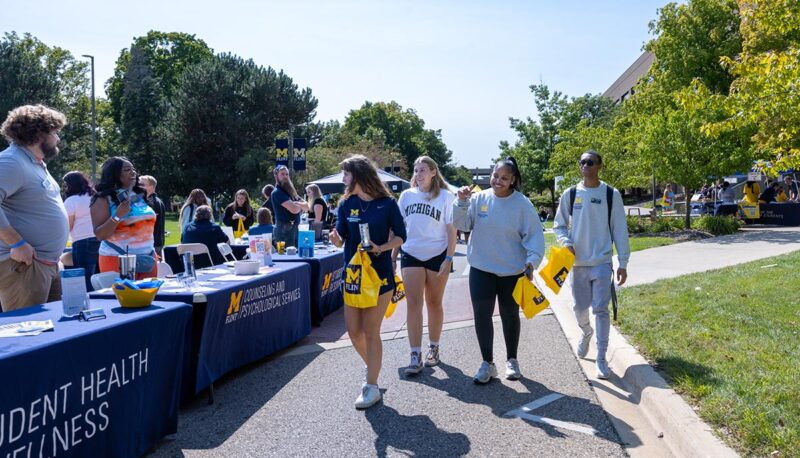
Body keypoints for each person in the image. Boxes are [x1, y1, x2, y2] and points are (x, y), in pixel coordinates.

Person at [453, 157, 545, 384]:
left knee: (510, 315)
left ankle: (512, 360)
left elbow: (534, 236)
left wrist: (532, 262)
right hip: (482, 269)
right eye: (495, 176)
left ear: (513, 180)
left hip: (512, 271)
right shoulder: (479, 199)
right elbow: (462, 226)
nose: (498, 181)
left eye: (504, 178)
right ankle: (487, 364)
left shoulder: (522, 204)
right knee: (482, 316)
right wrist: (461, 202)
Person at [329, 155, 406, 409]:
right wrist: (336, 240)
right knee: (354, 332)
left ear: (359, 176)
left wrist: (382, 247)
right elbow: (341, 236)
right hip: (354, 276)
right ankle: (373, 365)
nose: (343, 179)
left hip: (381, 274)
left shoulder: (387, 204)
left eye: (346, 174)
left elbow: (401, 237)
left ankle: (371, 385)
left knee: (371, 331)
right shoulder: (346, 203)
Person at [553, 150, 630, 380]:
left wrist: (622, 262)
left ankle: (601, 358)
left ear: (599, 166)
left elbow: (619, 229)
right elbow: (558, 225)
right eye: (582, 162)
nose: (585, 165)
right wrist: (566, 242)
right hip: (577, 264)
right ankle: (586, 332)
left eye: (590, 162)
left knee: (601, 310)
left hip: (602, 262)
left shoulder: (610, 194)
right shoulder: (571, 193)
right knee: (579, 308)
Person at [0, 105, 69, 311]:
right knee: (28, 336)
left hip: (44, 265)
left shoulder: (33, 162)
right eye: (54, 132)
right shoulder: (12, 161)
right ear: (39, 132)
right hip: (24, 267)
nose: (58, 139)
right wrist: (17, 243)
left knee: (53, 337)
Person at [394, 156, 456, 375]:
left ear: (433, 172)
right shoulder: (406, 196)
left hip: (437, 254)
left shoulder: (446, 197)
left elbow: (451, 231)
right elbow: (399, 229)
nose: (418, 174)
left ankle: (434, 347)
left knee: (433, 302)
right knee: (413, 303)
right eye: (415, 170)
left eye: (422, 170)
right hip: (411, 253)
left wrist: (449, 259)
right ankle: (414, 353)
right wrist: (393, 256)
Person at [90, 157, 158, 279]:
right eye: (127, 169)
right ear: (114, 173)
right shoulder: (103, 198)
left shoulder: (139, 195)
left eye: (133, 169)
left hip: (148, 259)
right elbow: (100, 235)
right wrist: (118, 215)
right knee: (126, 297)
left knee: (148, 297)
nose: (133, 172)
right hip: (117, 259)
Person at [63, 171, 100, 291]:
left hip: (82, 242)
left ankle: (88, 306)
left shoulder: (71, 201)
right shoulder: (95, 197)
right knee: (98, 278)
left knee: (85, 280)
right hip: (100, 238)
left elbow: (69, 225)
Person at [271, 165, 309, 247]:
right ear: (276, 176)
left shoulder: (291, 192)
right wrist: (298, 206)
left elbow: (307, 206)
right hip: (283, 231)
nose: (285, 176)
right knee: (284, 257)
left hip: (294, 228)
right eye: (282, 174)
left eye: (287, 174)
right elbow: (294, 210)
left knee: (295, 256)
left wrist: (296, 204)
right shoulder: (277, 192)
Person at [139, 175, 166, 258]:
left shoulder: (151, 203)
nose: (138, 186)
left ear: (151, 187)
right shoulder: (157, 201)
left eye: (142, 184)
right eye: (138, 184)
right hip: (156, 242)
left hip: (151, 244)